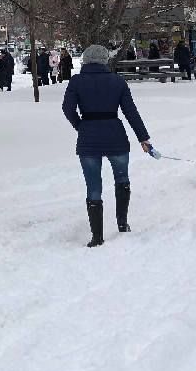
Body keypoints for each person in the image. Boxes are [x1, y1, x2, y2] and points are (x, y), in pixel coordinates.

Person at [61, 44, 152, 248]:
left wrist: (81, 126)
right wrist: (143, 138)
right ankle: (122, 223)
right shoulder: (117, 81)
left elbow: (67, 108)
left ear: (85, 60)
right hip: (115, 136)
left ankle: (97, 237)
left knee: (93, 187)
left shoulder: (76, 81)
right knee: (122, 179)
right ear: (105, 60)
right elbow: (131, 112)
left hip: (88, 139)